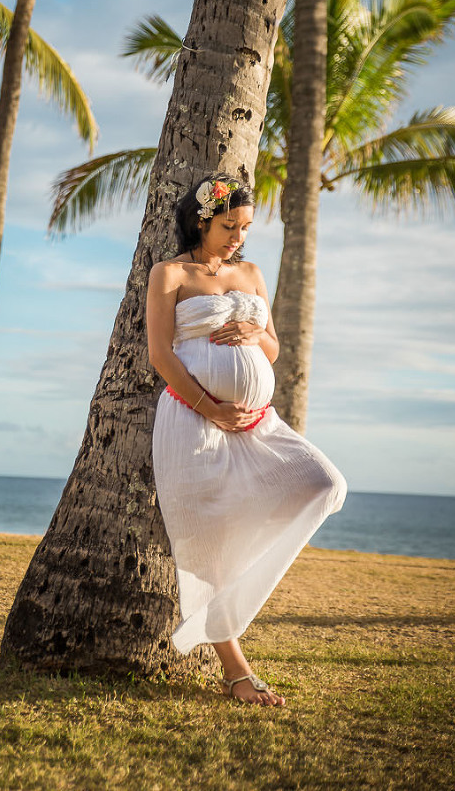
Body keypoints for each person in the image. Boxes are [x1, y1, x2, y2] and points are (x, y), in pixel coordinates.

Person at [146, 173, 347, 707]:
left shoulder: (252, 272)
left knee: (324, 484)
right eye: (228, 226)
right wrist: (211, 406)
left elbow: (274, 347)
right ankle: (235, 671)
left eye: (244, 227)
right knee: (207, 545)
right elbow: (161, 355)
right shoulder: (169, 273)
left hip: (260, 424)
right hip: (194, 420)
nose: (238, 236)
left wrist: (254, 334)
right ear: (201, 221)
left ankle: (239, 592)